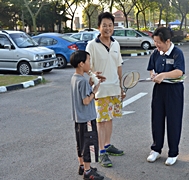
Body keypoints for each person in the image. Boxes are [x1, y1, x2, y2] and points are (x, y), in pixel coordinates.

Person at [85, 12, 125, 168]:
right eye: (104, 25)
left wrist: (121, 87)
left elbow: (118, 66)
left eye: (110, 25)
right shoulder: (92, 45)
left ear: (113, 27)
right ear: (98, 27)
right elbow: (87, 67)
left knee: (109, 119)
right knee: (101, 121)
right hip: (100, 90)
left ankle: (107, 145)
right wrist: (92, 75)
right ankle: (101, 152)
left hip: (114, 89)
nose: (107, 28)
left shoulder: (116, 44)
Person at [146, 26, 185, 166]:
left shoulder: (177, 53)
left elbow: (179, 72)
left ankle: (173, 152)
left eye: (159, 42)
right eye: (155, 41)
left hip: (174, 91)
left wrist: (164, 75)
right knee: (157, 119)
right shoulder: (156, 53)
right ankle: (156, 149)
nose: (157, 45)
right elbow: (151, 68)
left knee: (173, 121)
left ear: (168, 41)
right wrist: (153, 75)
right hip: (159, 90)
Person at [70, 50, 104, 180]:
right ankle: (88, 172)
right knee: (88, 143)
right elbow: (86, 101)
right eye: (88, 61)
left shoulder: (75, 78)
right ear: (81, 64)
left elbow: (81, 94)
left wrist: (90, 82)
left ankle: (82, 166)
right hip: (87, 118)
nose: (90, 63)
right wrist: (95, 90)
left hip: (78, 118)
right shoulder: (82, 81)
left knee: (80, 142)